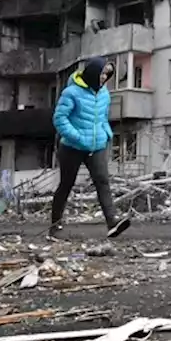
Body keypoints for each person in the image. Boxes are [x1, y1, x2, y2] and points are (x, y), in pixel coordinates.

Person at [49, 56, 131, 240]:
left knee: (102, 181)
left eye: (107, 75)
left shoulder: (104, 94)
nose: (104, 78)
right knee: (66, 185)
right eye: (102, 74)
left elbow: (102, 117)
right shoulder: (71, 93)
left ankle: (112, 222)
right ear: (93, 73)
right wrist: (77, 137)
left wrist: (107, 133)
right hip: (72, 147)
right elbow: (59, 119)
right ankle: (55, 227)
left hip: (97, 145)